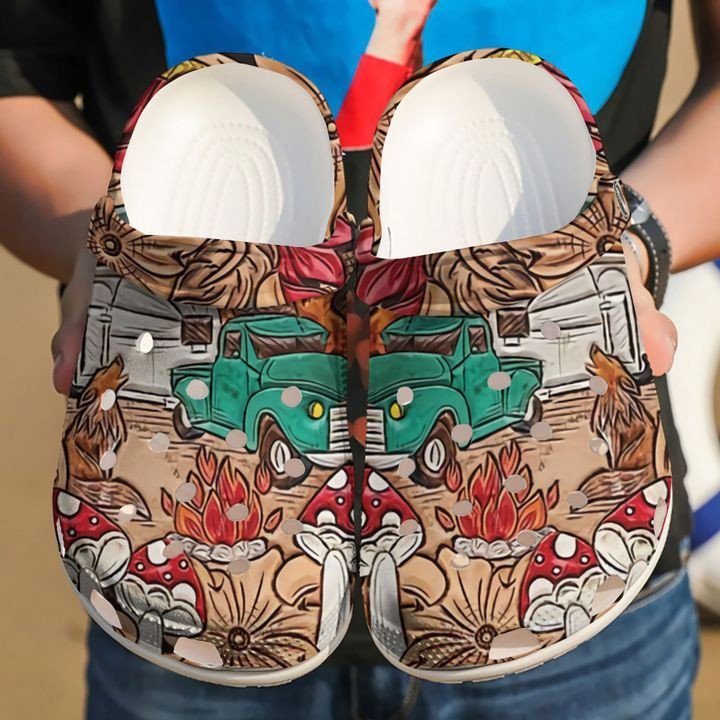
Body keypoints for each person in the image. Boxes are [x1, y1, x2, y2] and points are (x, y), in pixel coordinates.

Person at [1, 1, 718, 718]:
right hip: (176, 608)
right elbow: (15, 74)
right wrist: (104, 253)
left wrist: (634, 245)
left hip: (585, 609)